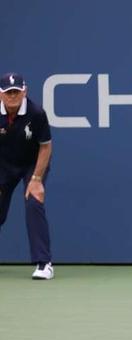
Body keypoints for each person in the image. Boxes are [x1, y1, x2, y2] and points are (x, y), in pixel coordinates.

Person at [0, 73, 54, 280]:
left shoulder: (36, 113)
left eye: (16, 91)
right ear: (0, 95)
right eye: (8, 92)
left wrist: (37, 180)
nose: (13, 96)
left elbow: (46, 147)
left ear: (25, 92)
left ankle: (44, 263)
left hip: (33, 164)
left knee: (33, 201)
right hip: (4, 164)